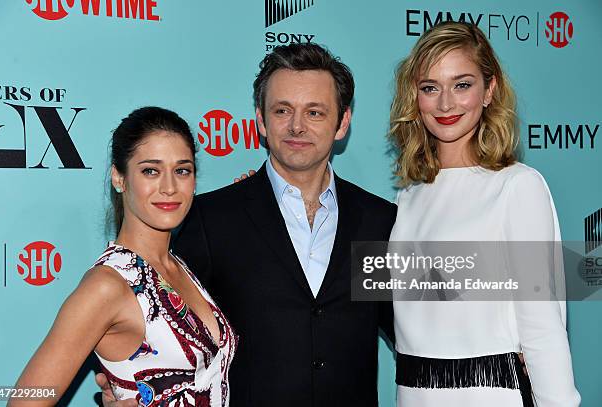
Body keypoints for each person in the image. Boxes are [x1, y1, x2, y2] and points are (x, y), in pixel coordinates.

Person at [98, 43, 397, 407]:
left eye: (315, 112)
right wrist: (128, 390)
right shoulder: (209, 218)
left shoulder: (380, 220)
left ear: (342, 122)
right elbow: (163, 332)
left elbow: (414, 335)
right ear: (261, 121)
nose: (297, 126)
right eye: (282, 110)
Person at [387, 22, 581, 406]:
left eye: (462, 84)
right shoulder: (407, 198)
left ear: (489, 90)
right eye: (430, 87)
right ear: (415, 97)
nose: (445, 104)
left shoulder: (518, 187)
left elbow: (542, 330)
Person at [11, 107, 237, 407]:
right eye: (150, 171)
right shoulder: (108, 285)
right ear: (119, 178)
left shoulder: (177, 267)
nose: (169, 187)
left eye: (182, 170)